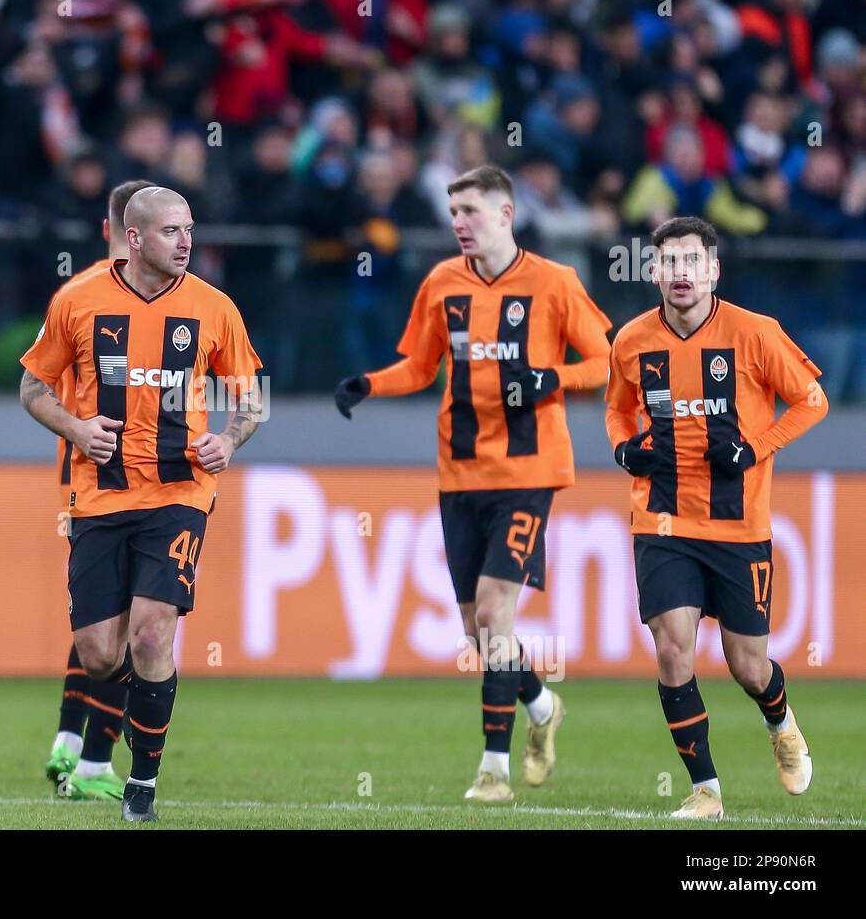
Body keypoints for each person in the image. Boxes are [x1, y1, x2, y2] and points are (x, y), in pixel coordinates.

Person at [334, 164, 612, 802]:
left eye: (472, 211)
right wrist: (370, 384)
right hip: (458, 473)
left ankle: (494, 769)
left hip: (527, 472)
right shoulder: (442, 283)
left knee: (493, 612)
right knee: (480, 632)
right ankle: (542, 704)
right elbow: (420, 365)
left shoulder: (554, 283)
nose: (459, 223)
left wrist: (550, 380)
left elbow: (608, 361)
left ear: (506, 214)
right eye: (454, 211)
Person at [19, 186, 262, 821]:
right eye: (171, 232)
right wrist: (75, 429)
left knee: (154, 633)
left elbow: (252, 396)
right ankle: (124, 719)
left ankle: (141, 786)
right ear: (133, 239)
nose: (186, 242)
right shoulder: (78, 299)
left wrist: (228, 439)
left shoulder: (213, 308)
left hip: (182, 493)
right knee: (101, 654)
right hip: (100, 495)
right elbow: (32, 386)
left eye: (189, 230)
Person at [605, 216, 827, 819]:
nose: (680, 273)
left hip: (738, 526)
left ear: (713, 271)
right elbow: (618, 412)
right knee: (674, 649)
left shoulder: (754, 333)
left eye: (691, 262)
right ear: (653, 272)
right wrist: (624, 449)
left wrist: (755, 447)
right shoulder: (631, 341)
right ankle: (705, 788)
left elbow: (812, 399)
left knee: (747, 665)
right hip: (662, 521)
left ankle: (780, 721)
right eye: (669, 262)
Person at [42, 178, 154, 802]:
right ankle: (90, 761)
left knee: (105, 614)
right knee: (119, 615)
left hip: (83, 470)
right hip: (104, 473)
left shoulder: (78, 291)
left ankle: (69, 742)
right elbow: (39, 382)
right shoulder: (90, 296)